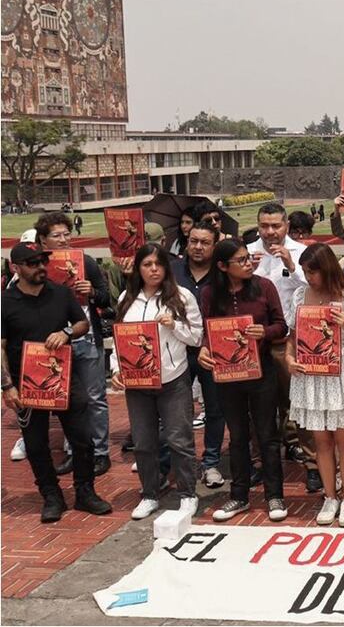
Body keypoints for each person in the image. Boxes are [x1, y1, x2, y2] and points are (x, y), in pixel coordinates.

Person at [1, 242, 113, 523]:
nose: (40, 267)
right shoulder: (4, 302)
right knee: (36, 444)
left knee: (83, 438)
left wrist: (66, 332)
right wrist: (7, 386)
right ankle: (51, 495)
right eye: (32, 263)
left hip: (64, 377)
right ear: (16, 268)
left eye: (42, 261)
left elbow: (82, 324)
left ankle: (85, 491)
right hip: (26, 383)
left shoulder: (61, 293)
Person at [110, 244, 203, 521]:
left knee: (179, 439)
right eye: (147, 264)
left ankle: (187, 494)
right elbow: (120, 338)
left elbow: (197, 338)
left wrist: (174, 325)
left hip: (172, 380)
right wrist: (116, 367)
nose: (153, 270)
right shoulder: (128, 298)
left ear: (166, 268)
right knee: (143, 442)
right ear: (138, 268)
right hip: (138, 382)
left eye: (158, 264)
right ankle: (150, 493)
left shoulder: (181, 296)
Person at [198, 239, 289, 522]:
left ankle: (275, 496)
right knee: (237, 437)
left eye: (248, 258)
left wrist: (265, 332)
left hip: (262, 372)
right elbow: (207, 330)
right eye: (241, 260)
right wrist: (204, 349)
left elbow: (281, 325)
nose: (248, 263)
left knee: (267, 435)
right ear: (224, 266)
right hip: (227, 376)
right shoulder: (211, 293)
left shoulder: (264, 287)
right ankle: (239, 495)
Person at [285, 244, 344, 528]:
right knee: (321, 441)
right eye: (305, 272)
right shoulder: (300, 296)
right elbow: (293, 335)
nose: (308, 277)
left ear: (327, 270)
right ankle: (330, 496)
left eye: (313, 272)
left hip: (343, 371)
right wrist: (289, 359)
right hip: (311, 374)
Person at [246, 203, 321, 492]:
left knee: (300, 406)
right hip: (256, 341)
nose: (270, 232)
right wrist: (246, 271)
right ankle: (262, 464)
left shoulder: (301, 253)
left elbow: (316, 288)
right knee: (260, 410)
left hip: (291, 341)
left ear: (286, 225)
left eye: (276, 225)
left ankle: (312, 465)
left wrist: (291, 265)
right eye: (264, 226)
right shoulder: (250, 252)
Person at [34, 213, 112, 475]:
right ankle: (74, 452)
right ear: (43, 240)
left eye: (67, 234)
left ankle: (100, 453)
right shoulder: (37, 267)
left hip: (87, 338)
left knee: (94, 398)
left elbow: (105, 300)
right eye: (56, 235)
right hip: (55, 341)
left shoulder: (86, 262)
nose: (64, 239)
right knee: (65, 400)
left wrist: (92, 291)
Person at [172, 221, 227, 488]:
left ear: (215, 246)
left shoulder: (222, 275)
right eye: (193, 241)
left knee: (216, 409)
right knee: (177, 411)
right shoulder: (172, 272)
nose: (197, 247)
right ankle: (181, 462)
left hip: (214, 353)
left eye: (205, 242)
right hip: (178, 351)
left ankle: (211, 462)